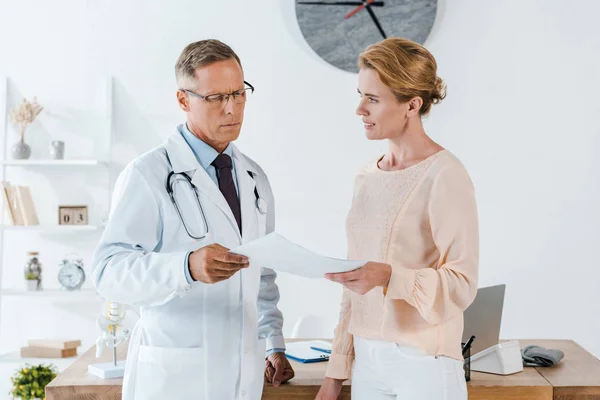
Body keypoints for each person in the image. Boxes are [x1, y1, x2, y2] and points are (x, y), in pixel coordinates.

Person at [92, 39, 294, 400]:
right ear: (184, 100)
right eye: (216, 98)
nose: (231, 108)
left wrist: (273, 344)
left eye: (238, 93)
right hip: (176, 378)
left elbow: (263, 272)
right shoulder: (148, 174)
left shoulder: (253, 178)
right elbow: (108, 272)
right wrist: (184, 267)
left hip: (242, 378)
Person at [316, 37, 479, 400]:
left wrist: (390, 277)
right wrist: (335, 375)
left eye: (372, 99)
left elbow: (462, 283)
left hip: (424, 363)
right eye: (360, 95)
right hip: (368, 363)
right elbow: (353, 285)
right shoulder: (367, 176)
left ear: (412, 104)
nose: (360, 109)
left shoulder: (444, 175)